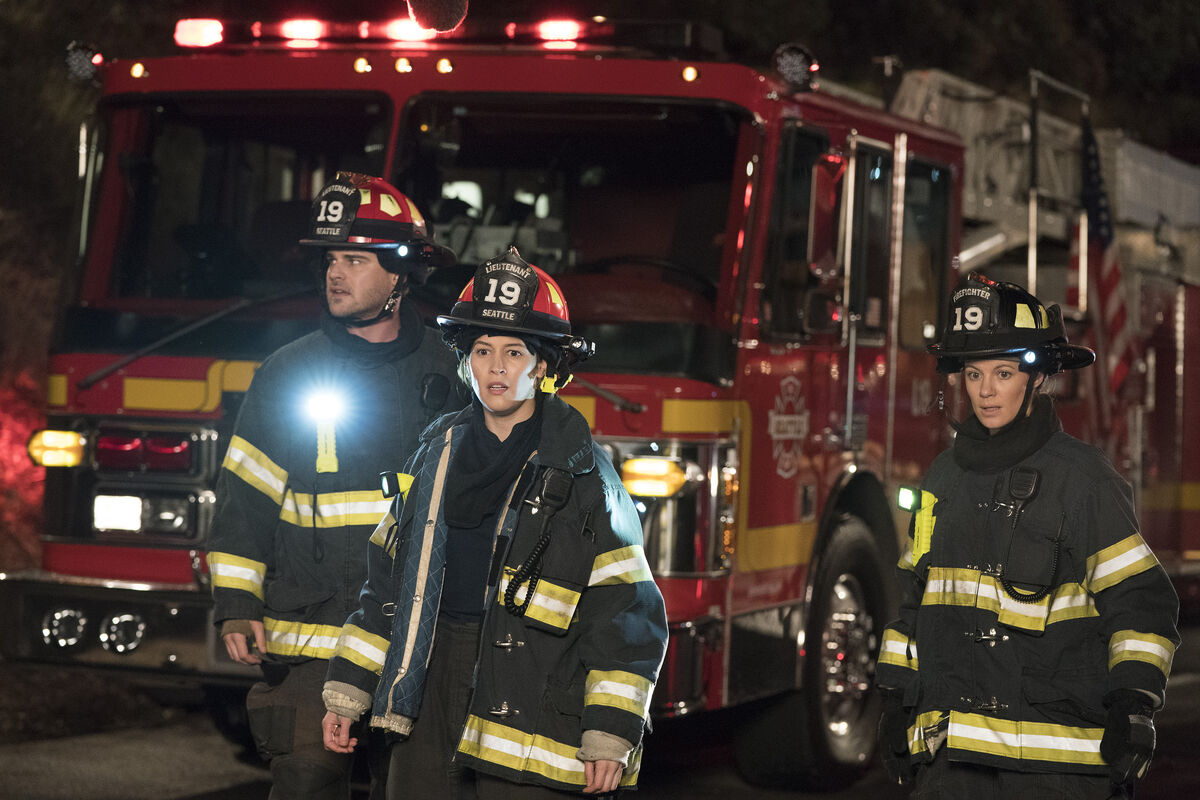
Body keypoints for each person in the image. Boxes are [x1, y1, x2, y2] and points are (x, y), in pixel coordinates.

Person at [319, 247, 669, 798]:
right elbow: (386, 585)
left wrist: (609, 732)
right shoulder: (433, 455)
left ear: (545, 366)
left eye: (514, 351)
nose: (497, 367)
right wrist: (349, 690)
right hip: (428, 676)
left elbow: (625, 610)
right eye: (482, 350)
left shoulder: (583, 475)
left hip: (532, 685)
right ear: (466, 361)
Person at [875, 272, 1180, 799]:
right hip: (952, 765)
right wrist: (893, 701)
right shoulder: (942, 480)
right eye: (973, 374)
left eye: (1004, 372)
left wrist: (1134, 703)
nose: (986, 391)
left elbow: (1139, 602)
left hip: (1056, 772)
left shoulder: (1084, 481)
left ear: (1037, 378)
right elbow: (913, 603)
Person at [206, 171, 462, 799]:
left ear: (402, 274)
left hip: (417, 643)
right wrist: (237, 603)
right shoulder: (289, 372)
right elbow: (246, 496)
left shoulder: (453, 373)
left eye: (355, 258)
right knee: (303, 784)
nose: (335, 274)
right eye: (330, 259)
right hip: (312, 636)